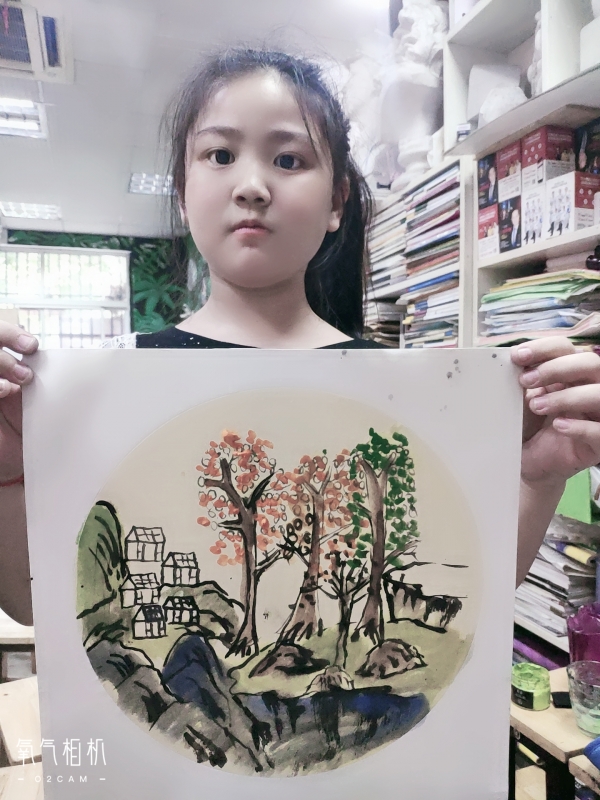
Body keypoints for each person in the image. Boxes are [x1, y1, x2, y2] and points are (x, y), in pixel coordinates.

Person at [1, 48, 600, 626]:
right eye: (219, 154)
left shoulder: (402, 391)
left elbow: (465, 593)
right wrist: (6, 476)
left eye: (288, 160)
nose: (252, 186)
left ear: (336, 201)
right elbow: (35, 604)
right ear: (182, 194)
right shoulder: (107, 383)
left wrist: (537, 477)